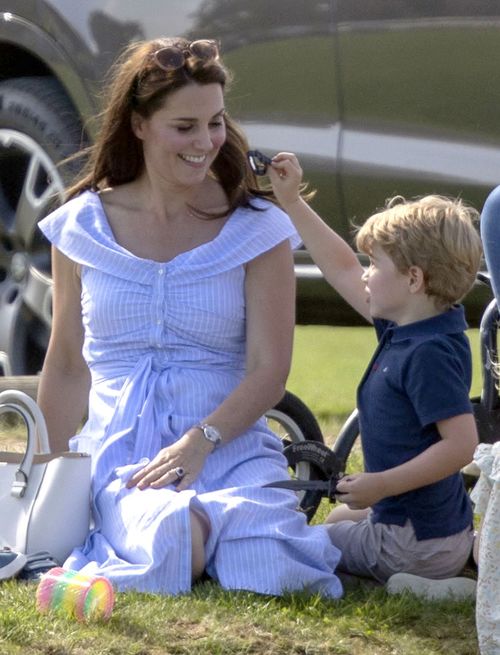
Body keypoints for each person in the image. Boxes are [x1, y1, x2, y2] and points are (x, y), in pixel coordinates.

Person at [36, 38, 343, 597]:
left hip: (229, 445)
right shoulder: (79, 226)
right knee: (174, 532)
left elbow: (269, 371)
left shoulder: (257, 229)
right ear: (138, 125)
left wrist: (200, 442)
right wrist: (49, 477)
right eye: (185, 127)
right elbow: (65, 365)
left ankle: (216, 533)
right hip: (125, 453)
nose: (205, 143)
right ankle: (160, 540)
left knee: (277, 569)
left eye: (216, 123)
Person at [267, 152, 482, 586]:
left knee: (302, 544)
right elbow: (341, 266)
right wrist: (292, 202)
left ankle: (424, 583)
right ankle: (436, 572)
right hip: (427, 528)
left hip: (416, 542)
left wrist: (382, 484)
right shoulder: (414, 325)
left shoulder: (429, 353)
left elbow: (461, 446)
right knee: (346, 514)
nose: (364, 275)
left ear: (414, 279)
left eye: (376, 264)